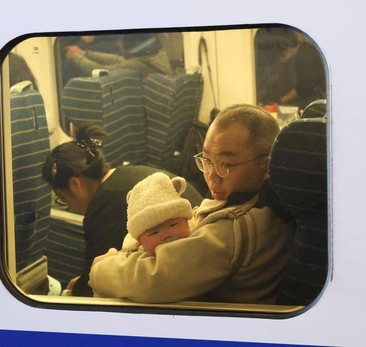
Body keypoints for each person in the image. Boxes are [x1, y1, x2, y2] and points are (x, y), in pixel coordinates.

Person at [89, 104, 294, 304]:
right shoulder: (255, 202)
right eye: (206, 160)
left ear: (265, 165)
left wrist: (101, 268)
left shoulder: (236, 228)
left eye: (226, 165)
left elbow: (154, 279)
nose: (212, 177)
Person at [41, 124, 203, 297]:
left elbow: (97, 276)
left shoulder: (101, 209)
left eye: (62, 197)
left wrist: (76, 289)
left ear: (75, 184)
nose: (67, 205)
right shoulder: (127, 174)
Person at [119, 172, 193, 257]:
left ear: (187, 221)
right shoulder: (133, 258)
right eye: (154, 232)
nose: (166, 235)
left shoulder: (200, 235)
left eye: (173, 225)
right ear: (140, 241)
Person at [64, 33, 172, 78]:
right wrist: (85, 54)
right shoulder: (153, 57)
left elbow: (103, 71)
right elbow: (118, 60)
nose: (119, 43)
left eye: (123, 41)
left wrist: (77, 58)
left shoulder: (138, 66)